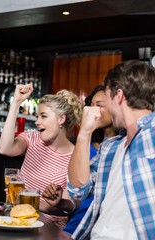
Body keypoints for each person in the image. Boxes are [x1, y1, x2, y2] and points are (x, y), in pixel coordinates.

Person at [68, 60, 155, 240]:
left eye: (106, 100)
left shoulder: (151, 133)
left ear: (119, 96)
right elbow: (77, 189)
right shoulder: (111, 148)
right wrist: (84, 133)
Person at [0, 83, 83, 227]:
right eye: (37, 116)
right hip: (19, 220)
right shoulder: (33, 138)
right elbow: (5, 149)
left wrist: (27, 201)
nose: (37, 122)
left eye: (43, 116)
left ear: (61, 119)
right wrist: (16, 102)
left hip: (49, 227)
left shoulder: (75, 156)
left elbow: (65, 208)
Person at [42, 85, 118, 235]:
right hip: (75, 229)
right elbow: (77, 200)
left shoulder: (122, 148)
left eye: (100, 105)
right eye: (91, 105)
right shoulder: (85, 149)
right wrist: (60, 202)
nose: (92, 110)